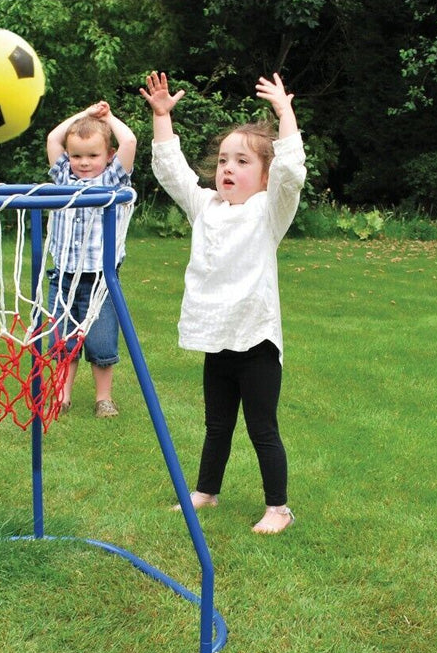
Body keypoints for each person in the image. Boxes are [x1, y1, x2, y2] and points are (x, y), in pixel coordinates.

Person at [140, 71, 306, 534]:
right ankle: (206, 492)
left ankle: (279, 509)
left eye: (243, 162)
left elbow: (292, 173)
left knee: (262, 429)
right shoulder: (206, 207)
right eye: (224, 161)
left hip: (256, 342)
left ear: (265, 175)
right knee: (217, 426)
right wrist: (161, 117)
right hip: (219, 341)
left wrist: (284, 112)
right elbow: (171, 171)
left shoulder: (269, 210)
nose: (228, 169)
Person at [46, 101, 137, 418]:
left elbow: (129, 142)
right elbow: (52, 140)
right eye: (77, 156)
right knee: (63, 342)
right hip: (64, 277)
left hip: (101, 280)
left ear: (108, 156)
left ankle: (103, 399)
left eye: (93, 155)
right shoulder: (63, 179)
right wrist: (83, 115)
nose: (83, 163)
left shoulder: (112, 180)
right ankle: (62, 396)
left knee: (101, 344)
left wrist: (107, 118)